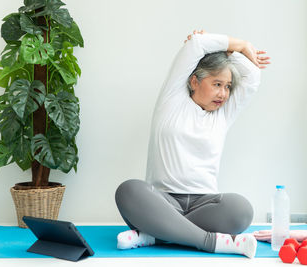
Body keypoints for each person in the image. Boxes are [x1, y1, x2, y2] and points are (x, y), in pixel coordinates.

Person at [115, 30, 270, 258]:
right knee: (128, 190)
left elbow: (252, 76)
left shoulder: (223, 115)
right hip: (162, 201)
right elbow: (197, 44)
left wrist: (229, 52)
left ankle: (156, 235)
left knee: (242, 210)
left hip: (205, 205)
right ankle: (210, 242)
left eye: (227, 86)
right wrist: (242, 45)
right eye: (217, 84)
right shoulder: (172, 100)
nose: (224, 93)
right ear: (194, 81)